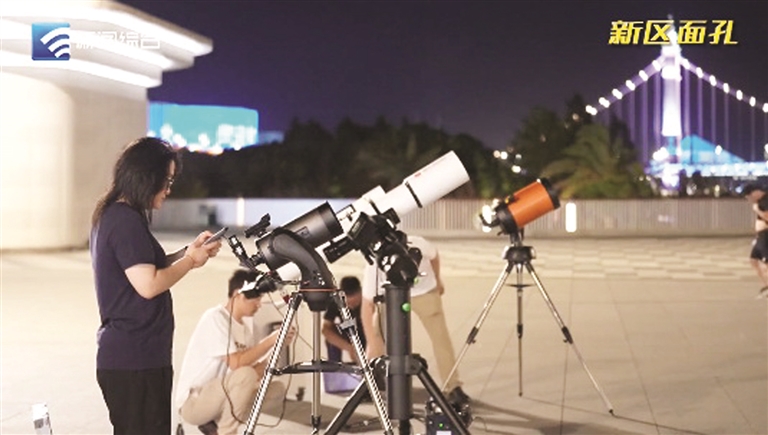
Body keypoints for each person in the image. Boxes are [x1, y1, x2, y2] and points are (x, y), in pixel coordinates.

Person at [90, 137, 222, 435]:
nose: (169, 189)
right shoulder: (124, 220)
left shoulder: (118, 214)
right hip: (135, 360)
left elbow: (146, 265)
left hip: (138, 358)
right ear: (146, 177)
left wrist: (189, 252)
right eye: (167, 180)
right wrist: (190, 261)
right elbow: (148, 284)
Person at [176, 269, 295, 435]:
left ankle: (219, 424)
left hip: (222, 397)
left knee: (275, 390)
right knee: (245, 374)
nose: (259, 305)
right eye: (256, 299)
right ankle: (227, 431)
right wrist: (269, 340)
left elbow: (255, 373)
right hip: (194, 402)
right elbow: (237, 364)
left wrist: (278, 345)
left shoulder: (246, 330)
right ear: (238, 294)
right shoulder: (215, 317)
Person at [360, 234, 471, 407]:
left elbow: (367, 306)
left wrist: (373, 340)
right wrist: (437, 279)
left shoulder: (374, 262)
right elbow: (434, 255)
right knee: (441, 340)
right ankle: (454, 388)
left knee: (377, 334)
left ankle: (368, 385)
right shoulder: (418, 243)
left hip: (398, 295)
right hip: (415, 292)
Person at [322, 276, 367, 364]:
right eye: (349, 304)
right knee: (332, 332)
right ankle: (334, 367)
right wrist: (350, 348)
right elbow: (325, 329)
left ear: (360, 292)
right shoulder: (337, 301)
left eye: (355, 303)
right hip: (349, 329)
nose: (352, 306)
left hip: (366, 330)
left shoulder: (368, 300)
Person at [743, 183, 768, 299]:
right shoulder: (760, 201)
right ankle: (766, 284)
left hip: (766, 235)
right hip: (760, 235)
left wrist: (757, 210)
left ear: (755, 192)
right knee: (753, 260)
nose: (750, 200)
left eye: (750, 197)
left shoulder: (764, 201)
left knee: (766, 261)